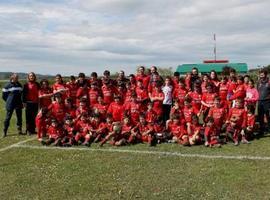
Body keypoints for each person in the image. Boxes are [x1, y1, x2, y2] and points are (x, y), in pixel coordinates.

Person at [257, 69, 270, 135]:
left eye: (262, 74)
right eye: (260, 75)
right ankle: (261, 129)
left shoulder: (269, 82)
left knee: (268, 115)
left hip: (267, 101)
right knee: (260, 116)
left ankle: (268, 129)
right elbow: (257, 91)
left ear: (266, 75)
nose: (261, 76)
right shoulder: (259, 82)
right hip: (259, 101)